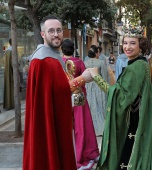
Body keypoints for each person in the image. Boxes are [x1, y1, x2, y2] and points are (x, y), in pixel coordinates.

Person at [85, 25, 152, 169]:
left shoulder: (135, 68)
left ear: (141, 46)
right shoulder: (140, 63)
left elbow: (120, 97)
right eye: (125, 43)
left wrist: (96, 77)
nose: (127, 47)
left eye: (132, 43)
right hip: (137, 118)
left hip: (134, 122)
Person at [23, 15, 80, 170]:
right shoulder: (43, 60)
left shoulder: (52, 57)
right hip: (49, 121)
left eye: (59, 30)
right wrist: (82, 79)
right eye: (51, 31)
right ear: (43, 34)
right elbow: (59, 90)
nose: (56, 34)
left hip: (57, 119)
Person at [61, 39, 99, 169]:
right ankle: (83, 154)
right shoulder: (79, 62)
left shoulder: (59, 63)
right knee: (82, 127)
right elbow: (86, 78)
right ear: (74, 49)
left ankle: (71, 155)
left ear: (62, 49)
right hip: (79, 98)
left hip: (64, 99)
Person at [84, 45, 108, 136]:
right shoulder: (101, 63)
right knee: (100, 107)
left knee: (90, 107)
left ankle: (90, 128)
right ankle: (101, 128)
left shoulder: (85, 63)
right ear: (96, 53)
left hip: (88, 86)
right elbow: (105, 76)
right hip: (99, 86)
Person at [3, 38, 14, 110]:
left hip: (7, 71)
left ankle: (7, 104)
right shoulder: (11, 51)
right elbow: (13, 64)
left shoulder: (7, 51)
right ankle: (11, 104)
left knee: (8, 86)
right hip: (11, 72)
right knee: (11, 87)